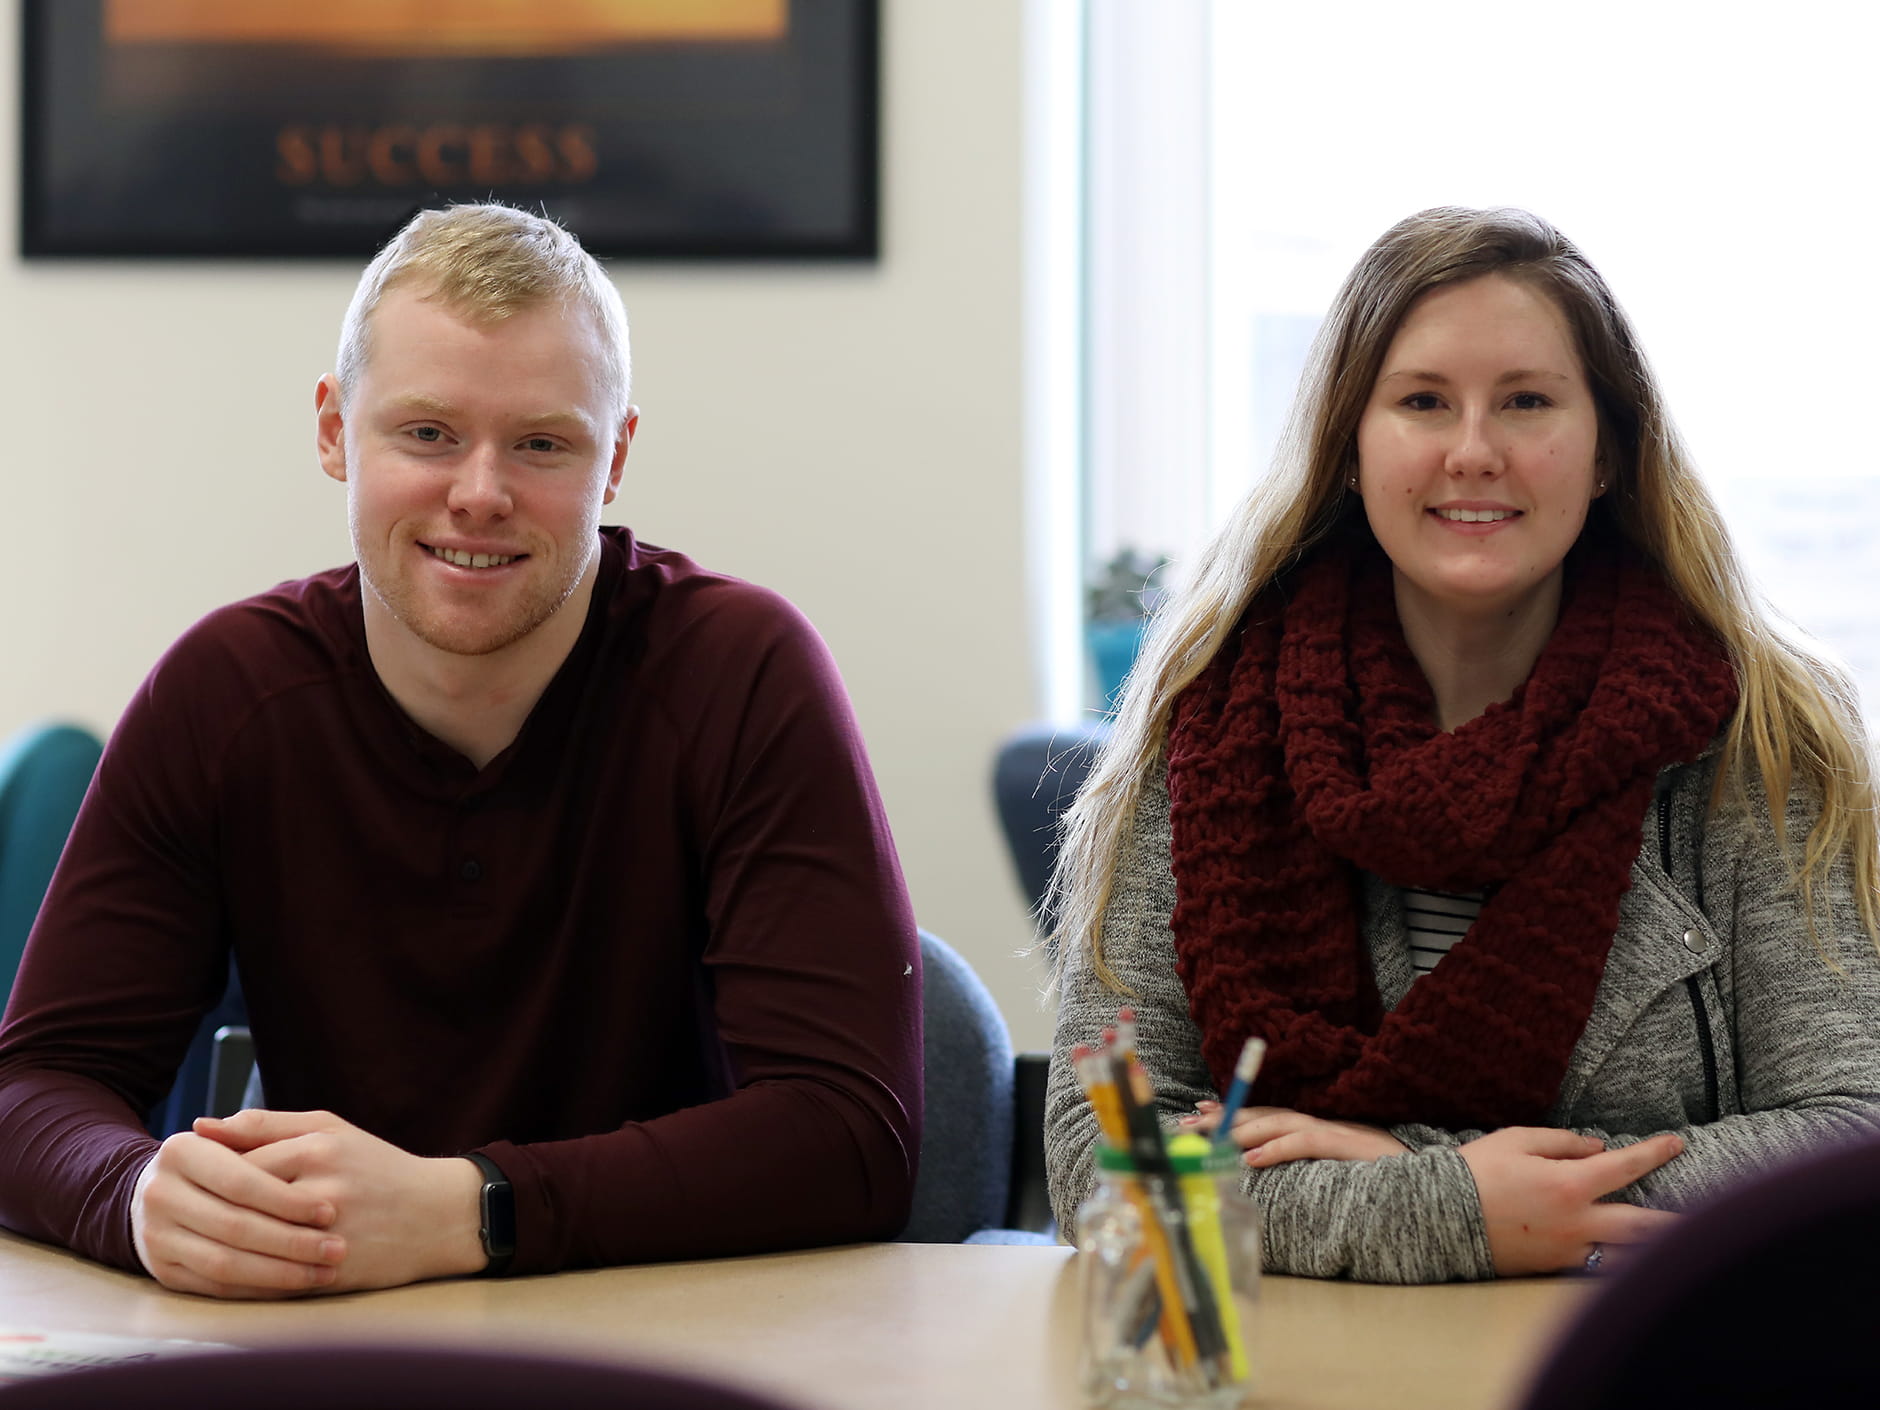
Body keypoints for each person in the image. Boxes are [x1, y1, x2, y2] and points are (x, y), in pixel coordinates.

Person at [0, 203, 922, 1298]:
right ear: (337, 431)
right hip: (324, 1335)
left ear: (615, 457)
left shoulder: (739, 671)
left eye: (541, 443)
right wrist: (137, 1195)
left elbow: (852, 1137)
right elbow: (33, 1091)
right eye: (427, 433)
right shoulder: (228, 693)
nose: (479, 494)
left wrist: (469, 1209)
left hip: (674, 1324)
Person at [1044, 206, 1880, 1283]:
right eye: (1422, 403)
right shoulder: (1207, 724)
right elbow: (1102, 1162)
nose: (1473, 450)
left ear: (1605, 454)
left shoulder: (1758, 733)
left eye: (1526, 402)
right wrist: (1456, 1204)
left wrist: (1416, 1171)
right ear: (1348, 447)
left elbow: (1848, 1131)